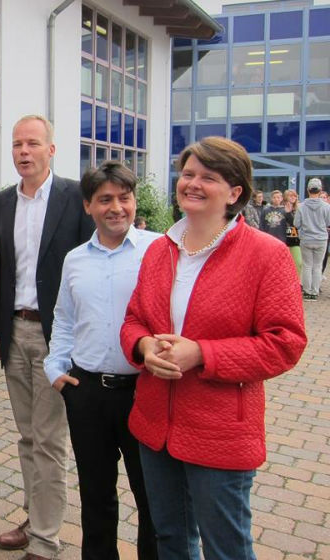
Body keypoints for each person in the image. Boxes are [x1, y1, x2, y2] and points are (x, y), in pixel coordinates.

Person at [121, 136, 307, 560]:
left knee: (226, 547)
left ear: (235, 192)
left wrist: (202, 353)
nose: (193, 183)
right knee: (169, 538)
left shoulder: (266, 255)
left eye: (209, 177)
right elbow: (134, 320)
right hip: (154, 425)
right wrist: (145, 345)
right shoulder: (159, 250)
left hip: (220, 429)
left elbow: (285, 343)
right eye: (188, 174)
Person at [0, 115, 93, 560]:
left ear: (52, 149)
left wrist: (76, 343)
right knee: (27, 436)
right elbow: (0, 271)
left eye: (32, 143)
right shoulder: (0, 203)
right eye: (16, 144)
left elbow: (88, 268)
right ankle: (34, 517)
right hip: (14, 333)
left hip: (57, 339)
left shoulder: (75, 198)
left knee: (49, 439)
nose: (23, 152)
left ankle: (46, 541)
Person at [44, 162, 158, 560]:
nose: (116, 207)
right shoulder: (75, 259)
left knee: (152, 500)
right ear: (88, 205)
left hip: (146, 391)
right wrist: (55, 369)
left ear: (134, 201)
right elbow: (64, 317)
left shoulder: (159, 250)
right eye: (105, 199)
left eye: (124, 198)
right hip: (87, 392)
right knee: (95, 496)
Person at [295, 178, 330, 301]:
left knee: (307, 266)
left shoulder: (301, 206)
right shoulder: (326, 206)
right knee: (317, 266)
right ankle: (314, 292)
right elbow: (328, 222)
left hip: (306, 239)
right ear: (320, 190)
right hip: (321, 239)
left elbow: (296, 223)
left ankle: (307, 292)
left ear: (308, 190)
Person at [283, 189, 302, 275]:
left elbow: (295, 225)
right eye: (291, 195)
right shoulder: (282, 208)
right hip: (283, 238)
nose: (293, 197)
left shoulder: (299, 208)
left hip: (295, 239)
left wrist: (288, 213)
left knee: (298, 262)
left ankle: (297, 282)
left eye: (294, 195)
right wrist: (287, 213)